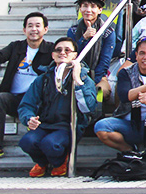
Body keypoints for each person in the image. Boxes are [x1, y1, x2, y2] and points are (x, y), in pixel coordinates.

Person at [0, 13, 52, 162]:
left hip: (37, 101)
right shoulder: (16, 46)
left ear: (45, 29)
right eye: (30, 26)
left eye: (38, 25)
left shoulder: (51, 50)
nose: (34, 29)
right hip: (15, 99)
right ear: (24, 30)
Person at [18, 36, 96, 177]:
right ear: (53, 55)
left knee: (51, 144)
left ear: (75, 55)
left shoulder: (84, 79)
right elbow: (26, 105)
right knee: (27, 141)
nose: (62, 53)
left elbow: (88, 108)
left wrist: (77, 80)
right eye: (58, 50)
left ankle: (59, 162)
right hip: (45, 124)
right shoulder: (43, 79)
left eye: (67, 50)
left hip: (68, 126)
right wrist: (29, 118)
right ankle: (42, 163)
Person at [94, 37, 146, 152]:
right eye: (142, 53)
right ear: (136, 55)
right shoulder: (125, 72)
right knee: (101, 127)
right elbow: (125, 96)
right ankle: (130, 151)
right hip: (129, 124)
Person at [67, 0, 114, 98]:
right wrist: (84, 38)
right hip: (76, 72)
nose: (88, 10)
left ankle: (96, 114)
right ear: (80, 9)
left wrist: (92, 81)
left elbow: (105, 60)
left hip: (99, 76)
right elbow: (71, 55)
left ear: (100, 10)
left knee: (100, 92)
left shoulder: (108, 32)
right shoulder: (73, 31)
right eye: (85, 6)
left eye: (93, 6)